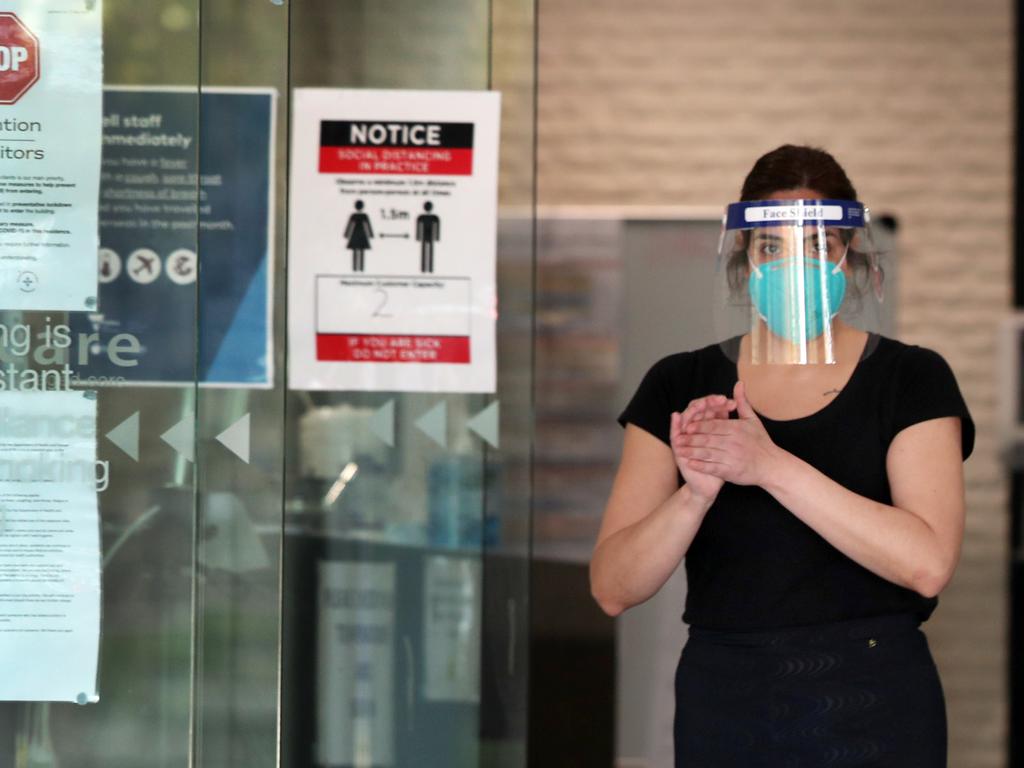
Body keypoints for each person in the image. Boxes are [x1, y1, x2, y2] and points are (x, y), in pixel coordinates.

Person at [590, 144, 974, 767]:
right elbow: (612, 587)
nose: (794, 265)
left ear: (849, 256)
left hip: (873, 698)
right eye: (772, 247)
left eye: (818, 245)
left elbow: (927, 563)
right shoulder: (680, 382)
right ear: (744, 255)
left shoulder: (912, 378)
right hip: (727, 696)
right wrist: (695, 494)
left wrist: (767, 465)